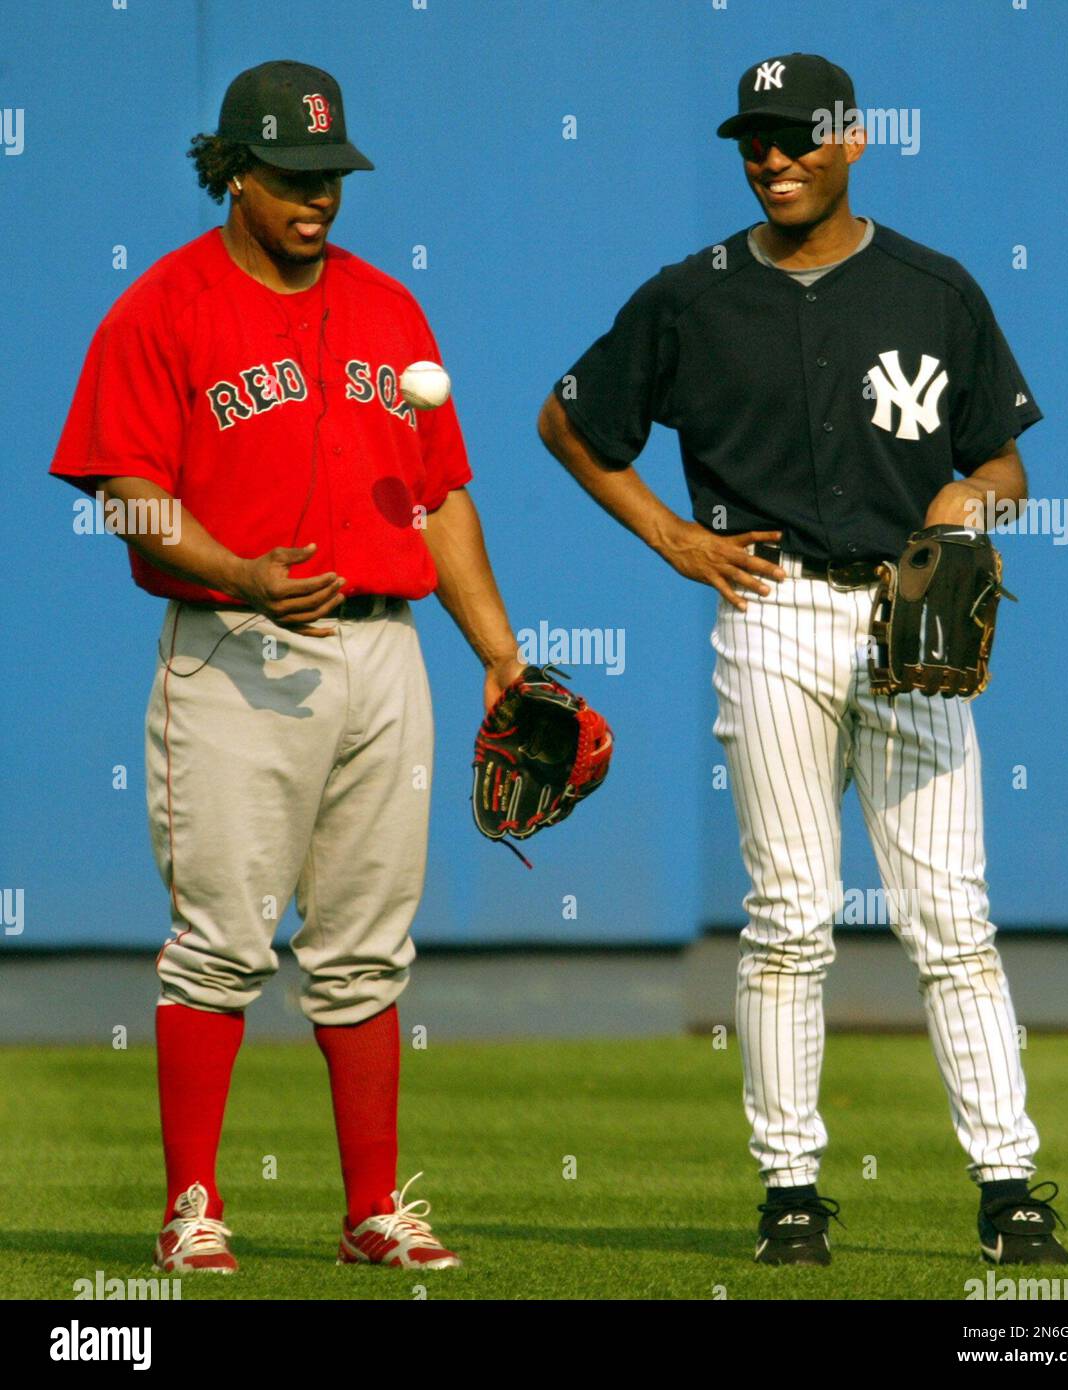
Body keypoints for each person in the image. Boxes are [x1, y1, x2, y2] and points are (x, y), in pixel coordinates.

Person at [537, 52, 1068, 1268]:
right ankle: (789, 1189)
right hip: (771, 612)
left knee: (952, 918)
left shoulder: (933, 290)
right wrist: (671, 536)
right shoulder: (694, 294)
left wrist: (961, 511)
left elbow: (1003, 468)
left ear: (851, 140)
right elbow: (569, 418)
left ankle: (1007, 1185)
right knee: (788, 917)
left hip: (904, 612)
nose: (769, 158)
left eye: (793, 137)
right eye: (751, 140)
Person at [50, 59, 524, 1274]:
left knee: (366, 944)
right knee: (218, 938)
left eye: (333, 175)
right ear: (236, 175)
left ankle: (372, 1210)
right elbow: (126, 499)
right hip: (236, 653)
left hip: (385, 652)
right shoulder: (163, 307)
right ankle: (191, 1207)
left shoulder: (386, 309)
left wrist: (500, 653)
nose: (319, 197)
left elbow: (440, 496)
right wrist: (242, 572)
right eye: (293, 176)